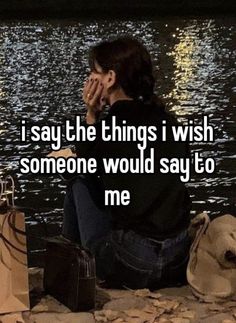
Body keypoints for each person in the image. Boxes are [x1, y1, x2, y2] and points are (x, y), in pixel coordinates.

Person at [62, 36, 192, 289]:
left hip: (134, 261)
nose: (89, 78)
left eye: (93, 72)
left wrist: (91, 114)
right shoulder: (169, 121)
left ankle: (71, 269)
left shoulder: (109, 128)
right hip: (177, 259)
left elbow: (87, 167)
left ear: (110, 78)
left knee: (77, 180)